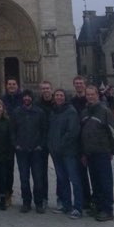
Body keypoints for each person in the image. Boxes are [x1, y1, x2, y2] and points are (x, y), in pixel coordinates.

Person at [80, 84, 114, 222]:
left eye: (92, 94)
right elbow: (82, 134)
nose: (90, 96)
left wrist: (113, 150)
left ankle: (107, 210)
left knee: (105, 181)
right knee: (95, 181)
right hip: (90, 153)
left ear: (97, 95)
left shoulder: (105, 111)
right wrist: (84, 153)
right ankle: (98, 206)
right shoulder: (85, 112)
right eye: (88, 94)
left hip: (102, 151)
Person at [11, 89, 47, 213]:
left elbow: (44, 131)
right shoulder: (16, 112)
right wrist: (16, 144)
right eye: (25, 97)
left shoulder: (39, 112)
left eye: (28, 97)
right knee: (24, 178)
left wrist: (40, 145)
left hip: (36, 151)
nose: (26, 98)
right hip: (22, 151)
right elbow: (12, 130)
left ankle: (39, 202)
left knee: (38, 178)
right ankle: (26, 202)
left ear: (32, 98)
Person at [48, 89, 82, 219]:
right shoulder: (54, 111)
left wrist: (60, 146)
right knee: (62, 179)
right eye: (57, 95)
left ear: (65, 97)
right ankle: (66, 205)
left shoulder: (71, 111)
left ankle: (78, 207)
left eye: (61, 95)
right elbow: (51, 132)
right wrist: (51, 146)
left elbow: (72, 132)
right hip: (56, 151)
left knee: (74, 179)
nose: (59, 97)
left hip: (68, 151)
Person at [71, 75, 92, 210]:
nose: (78, 85)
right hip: (78, 141)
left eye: (80, 83)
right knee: (81, 173)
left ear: (85, 84)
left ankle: (98, 201)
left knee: (96, 174)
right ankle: (86, 199)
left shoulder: (92, 100)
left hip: (92, 141)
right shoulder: (72, 101)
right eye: (76, 83)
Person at [1, 77, 23, 207]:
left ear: (17, 85)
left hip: (21, 138)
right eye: (9, 84)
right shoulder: (2, 100)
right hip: (7, 140)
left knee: (24, 169)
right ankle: (7, 193)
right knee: (8, 169)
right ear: (6, 86)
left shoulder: (24, 99)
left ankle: (29, 196)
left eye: (14, 84)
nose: (11, 86)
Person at [37, 80, 54, 208]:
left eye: (47, 88)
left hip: (55, 142)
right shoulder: (36, 104)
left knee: (61, 172)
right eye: (43, 88)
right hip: (42, 142)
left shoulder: (59, 102)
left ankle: (62, 199)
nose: (45, 90)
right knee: (41, 172)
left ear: (51, 89)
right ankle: (43, 198)